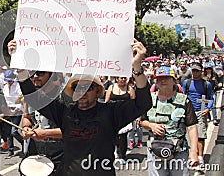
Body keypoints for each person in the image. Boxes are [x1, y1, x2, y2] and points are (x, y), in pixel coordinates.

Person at [8, 39, 152, 175]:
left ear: (97, 91)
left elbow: (143, 104)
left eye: (88, 87)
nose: (82, 92)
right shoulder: (64, 112)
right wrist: (20, 66)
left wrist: (137, 67)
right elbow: (34, 97)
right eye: (77, 87)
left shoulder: (111, 112)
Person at [140, 66, 199, 175]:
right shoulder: (149, 99)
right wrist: (151, 125)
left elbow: (192, 127)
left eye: (167, 78)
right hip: (155, 150)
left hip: (179, 151)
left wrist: (194, 152)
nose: (163, 81)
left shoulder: (183, 100)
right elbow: (141, 121)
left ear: (174, 80)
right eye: (159, 78)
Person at [182, 62, 214, 165]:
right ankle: (192, 154)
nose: (195, 73)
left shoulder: (206, 84)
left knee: (200, 135)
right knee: (189, 135)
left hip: (201, 111)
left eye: (197, 71)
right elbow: (183, 95)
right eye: (193, 71)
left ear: (201, 71)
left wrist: (208, 109)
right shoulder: (187, 82)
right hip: (189, 111)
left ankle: (200, 156)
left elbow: (211, 98)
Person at [105, 76, 136, 164]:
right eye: (120, 78)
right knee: (113, 136)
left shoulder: (130, 88)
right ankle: (115, 151)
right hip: (112, 116)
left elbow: (134, 103)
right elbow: (106, 101)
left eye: (124, 78)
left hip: (125, 116)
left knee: (123, 137)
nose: (122, 80)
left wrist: (136, 116)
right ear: (116, 79)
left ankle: (123, 155)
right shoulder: (111, 87)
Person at [2, 70, 24, 159]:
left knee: (14, 131)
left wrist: (16, 109)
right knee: (8, 132)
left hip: (17, 110)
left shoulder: (17, 86)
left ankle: (25, 144)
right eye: (7, 80)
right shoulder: (5, 87)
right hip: (8, 109)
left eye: (10, 80)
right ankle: (10, 151)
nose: (9, 82)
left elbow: (21, 98)